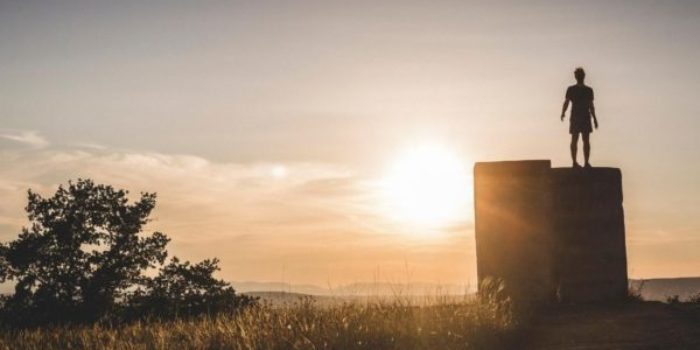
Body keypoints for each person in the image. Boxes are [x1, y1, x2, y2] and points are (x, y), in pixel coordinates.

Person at [560, 67, 598, 168]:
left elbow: (591, 105)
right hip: (578, 116)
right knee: (577, 139)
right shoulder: (573, 89)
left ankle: (584, 162)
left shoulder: (588, 90)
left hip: (583, 116)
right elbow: (567, 102)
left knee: (583, 140)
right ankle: (576, 162)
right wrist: (563, 112)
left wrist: (594, 118)